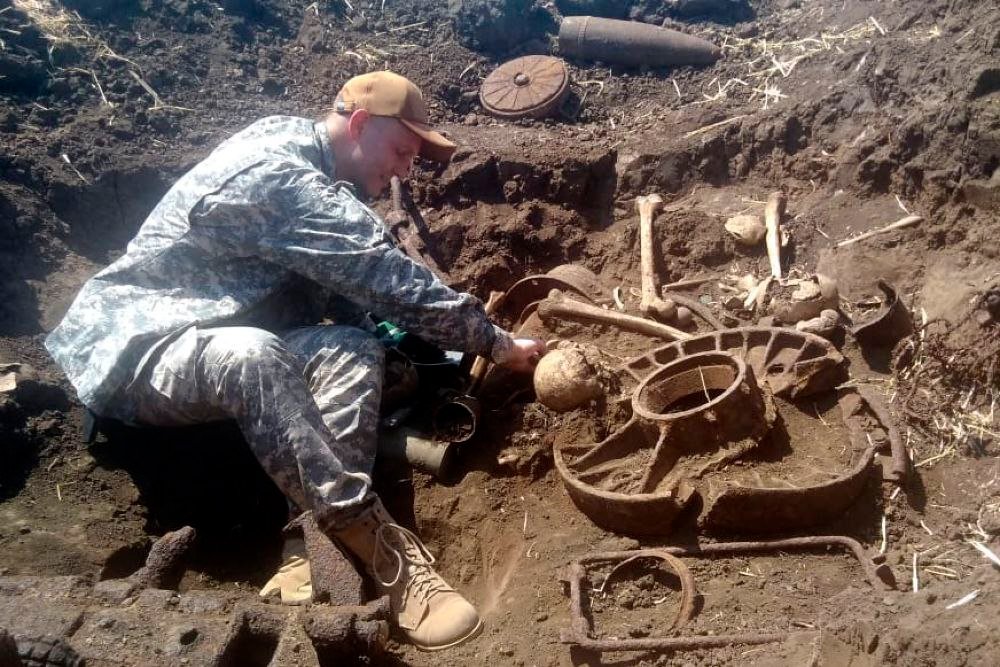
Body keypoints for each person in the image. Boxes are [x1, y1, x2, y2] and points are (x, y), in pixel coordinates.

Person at [45, 70, 546, 651]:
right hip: (141, 347)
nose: (406, 171)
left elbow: (339, 289)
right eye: (401, 151)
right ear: (360, 124)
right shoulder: (277, 175)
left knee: (351, 349)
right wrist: (497, 344)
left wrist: (399, 349)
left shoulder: (304, 159)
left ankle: (308, 545)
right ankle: (379, 545)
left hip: (224, 332)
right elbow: (386, 280)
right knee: (250, 353)